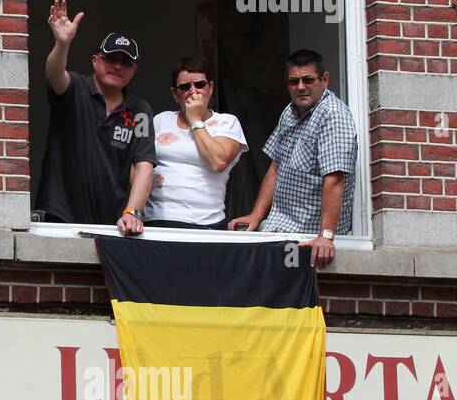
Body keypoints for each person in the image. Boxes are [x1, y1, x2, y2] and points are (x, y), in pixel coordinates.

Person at [33, 0, 156, 235]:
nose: (118, 66)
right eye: (111, 59)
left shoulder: (140, 111)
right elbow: (54, 73)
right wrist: (62, 44)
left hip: (111, 225)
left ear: (134, 70)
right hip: (60, 216)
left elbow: (143, 167)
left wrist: (132, 212)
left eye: (126, 62)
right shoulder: (75, 88)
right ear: (95, 60)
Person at [229, 49, 357, 267]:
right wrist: (256, 216)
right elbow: (275, 168)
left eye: (308, 80)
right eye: (293, 81)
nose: (300, 87)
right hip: (279, 229)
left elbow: (334, 179)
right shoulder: (290, 111)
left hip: (307, 240)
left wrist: (326, 236)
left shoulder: (333, 116)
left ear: (324, 80)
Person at [144, 55, 247, 229]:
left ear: (211, 88)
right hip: (156, 218)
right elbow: (139, 165)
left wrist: (194, 119)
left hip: (204, 222)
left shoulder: (227, 122)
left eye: (200, 84)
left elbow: (218, 162)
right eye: (185, 87)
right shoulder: (160, 120)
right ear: (175, 94)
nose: (193, 91)